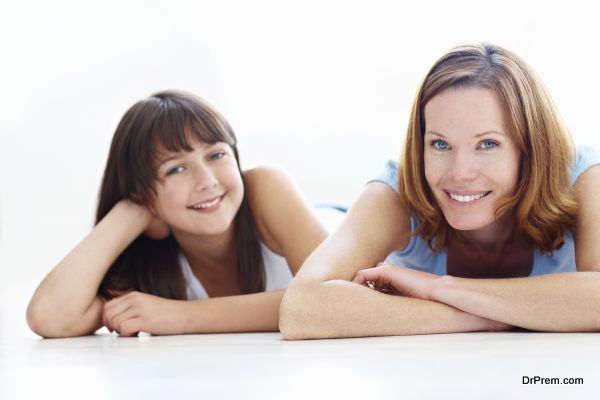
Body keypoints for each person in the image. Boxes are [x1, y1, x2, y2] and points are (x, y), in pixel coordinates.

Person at [279, 43, 600, 339]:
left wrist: (437, 288)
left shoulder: (582, 177)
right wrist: (482, 317)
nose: (460, 173)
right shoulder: (396, 192)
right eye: (440, 144)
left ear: (529, 149)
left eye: (487, 144)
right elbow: (301, 308)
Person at [27, 90, 327, 338]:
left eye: (216, 155)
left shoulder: (265, 187)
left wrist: (182, 317)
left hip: (345, 234)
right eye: (176, 169)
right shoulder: (147, 266)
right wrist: (130, 213)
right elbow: (50, 316)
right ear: (144, 196)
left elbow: (330, 298)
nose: (207, 180)